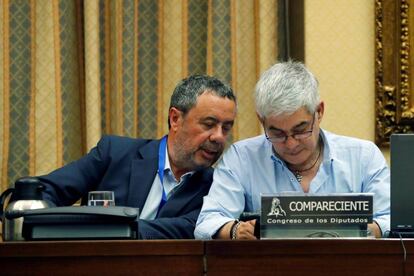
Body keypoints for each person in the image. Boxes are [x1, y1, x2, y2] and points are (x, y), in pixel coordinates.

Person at [194, 61, 390, 239]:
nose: (291, 144)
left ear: (319, 112)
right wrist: (236, 231)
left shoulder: (363, 157)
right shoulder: (242, 158)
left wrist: (360, 230)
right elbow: (207, 223)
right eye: (277, 133)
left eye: (300, 130)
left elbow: (393, 219)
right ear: (262, 120)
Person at [37, 75, 237, 239]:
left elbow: (191, 228)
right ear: (175, 119)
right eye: (209, 124)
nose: (219, 137)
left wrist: (107, 229)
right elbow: (42, 193)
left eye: (226, 128)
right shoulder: (114, 154)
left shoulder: (218, 187)